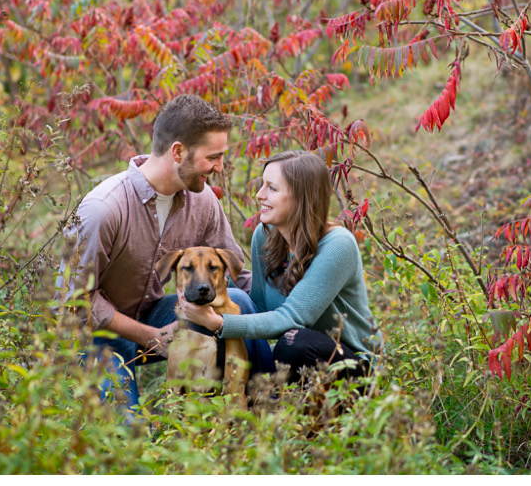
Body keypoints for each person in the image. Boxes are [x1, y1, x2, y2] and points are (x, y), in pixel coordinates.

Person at [59, 94, 274, 412]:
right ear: (178, 152)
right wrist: (149, 335)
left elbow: (238, 277)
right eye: (213, 157)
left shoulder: (202, 200)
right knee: (125, 436)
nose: (219, 167)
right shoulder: (103, 209)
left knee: (238, 302)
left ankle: (271, 406)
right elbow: (73, 301)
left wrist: (292, 316)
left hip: (165, 317)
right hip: (98, 335)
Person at [179, 150, 381, 383]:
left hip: (352, 365)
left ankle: (285, 407)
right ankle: (244, 401)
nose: (259, 195)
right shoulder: (264, 236)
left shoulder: (338, 245)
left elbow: (294, 318)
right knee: (235, 302)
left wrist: (219, 323)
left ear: (302, 197)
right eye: (262, 185)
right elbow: (258, 306)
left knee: (294, 342)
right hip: (293, 359)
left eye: (271, 188)